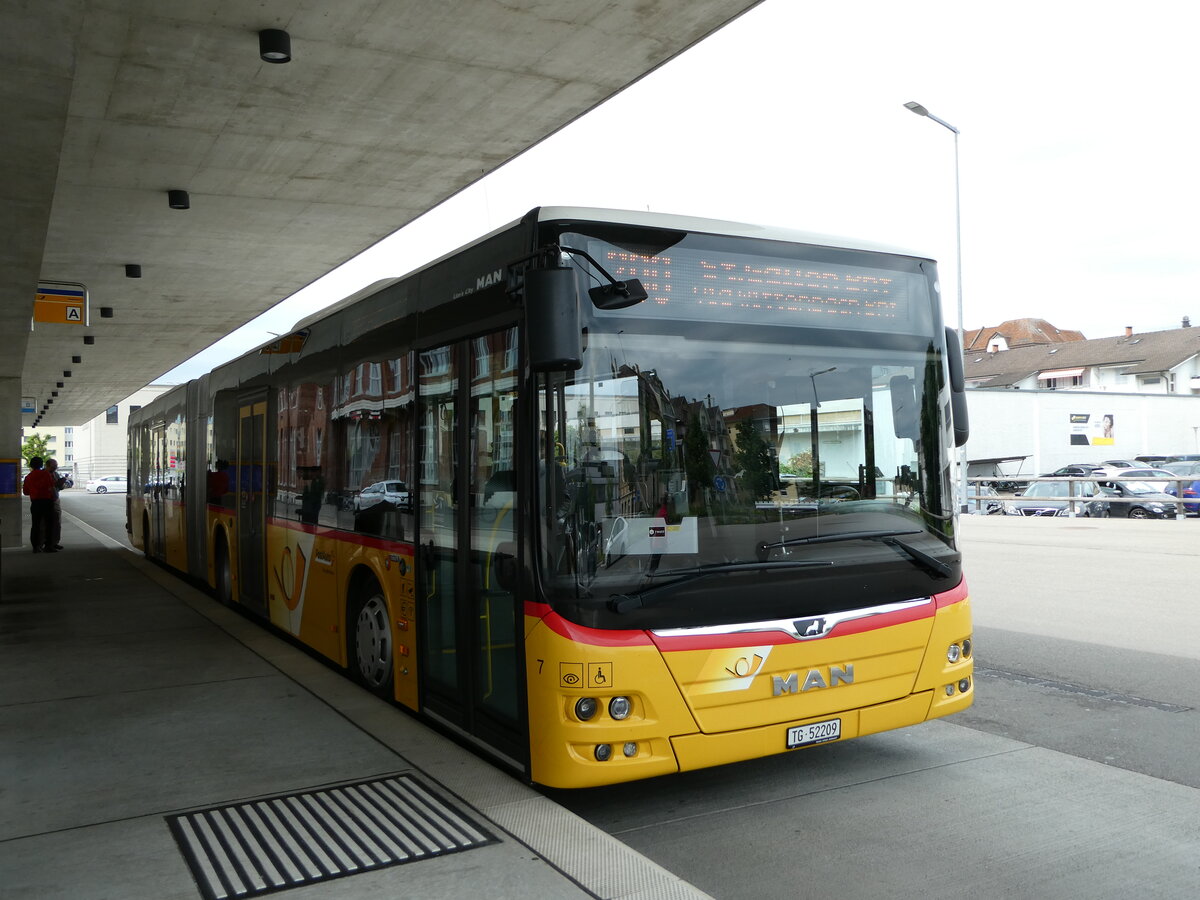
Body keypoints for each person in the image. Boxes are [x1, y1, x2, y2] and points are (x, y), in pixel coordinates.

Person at [21, 456, 56, 553]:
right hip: (47, 501)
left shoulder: (28, 477)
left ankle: (35, 547)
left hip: (35, 503)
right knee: (49, 524)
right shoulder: (45, 474)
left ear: (31, 465)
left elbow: (26, 492)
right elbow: (51, 487)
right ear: (41, 465)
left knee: (35, 525)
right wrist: (54, 497)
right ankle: (48, 546)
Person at [45, 458, 67, 551]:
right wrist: (55, 484)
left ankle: (55, 542)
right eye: (53, 466)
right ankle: (47, 543)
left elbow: (60, 487)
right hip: (46, 500)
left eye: (56, 466)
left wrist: (62, 483)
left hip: (55, 499)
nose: (55, 467)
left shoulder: (56, 474)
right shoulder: (44, 474)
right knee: (46, 523)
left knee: (57, 522)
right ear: (47, 465)